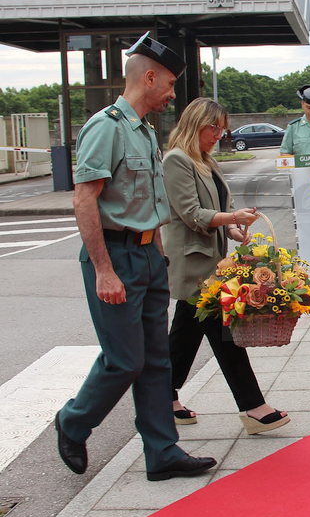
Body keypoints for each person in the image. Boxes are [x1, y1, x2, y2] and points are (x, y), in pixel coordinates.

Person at [56, 32, 217, 482]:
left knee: (156, 361)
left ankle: (163, 452)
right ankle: (73, 421)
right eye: (168, 85)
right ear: (149, 77)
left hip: (149, 258)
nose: (171, 95)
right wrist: (104, 270)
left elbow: (146, 203)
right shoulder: (105, 127)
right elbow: (85, 200)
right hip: (116, 260)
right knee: (124, 360)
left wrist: (158, 254)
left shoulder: (145, 131)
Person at [162, 98, 291, 435]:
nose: (219, 134)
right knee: (223, 335)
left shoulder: (206, 160)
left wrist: (234, 229)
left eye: (223, 128)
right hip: (195, 264)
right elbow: (192, 214)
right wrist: (231, 218)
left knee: (185, 336)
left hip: (211, 263)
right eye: (213, 127)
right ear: (195, 124)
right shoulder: (177, 160)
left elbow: (221, 209)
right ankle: (253, 407)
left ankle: (163, 396)